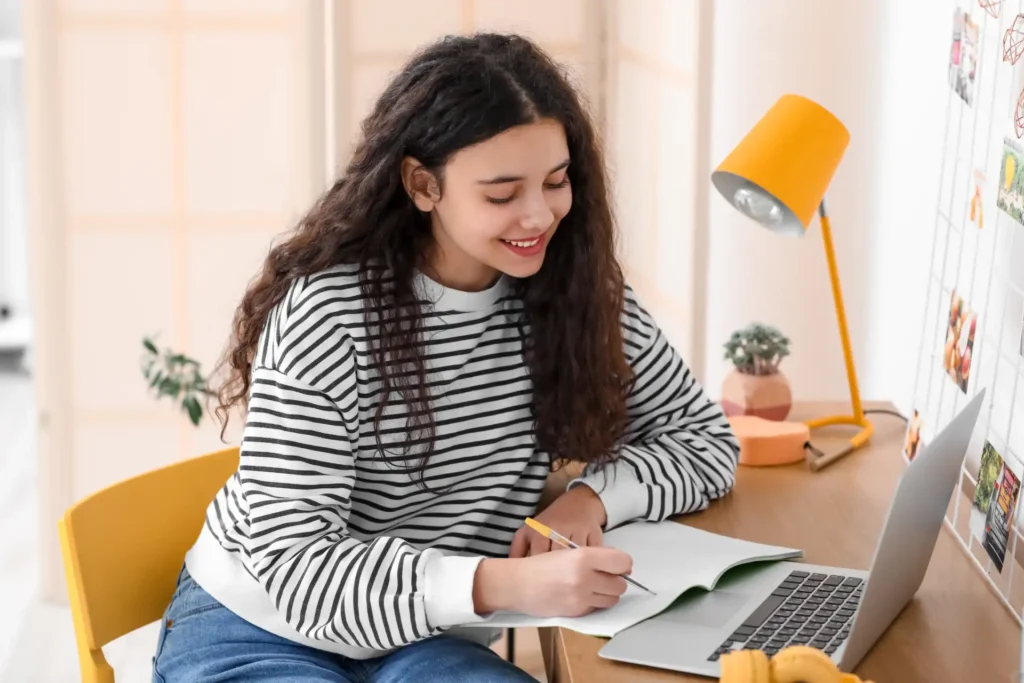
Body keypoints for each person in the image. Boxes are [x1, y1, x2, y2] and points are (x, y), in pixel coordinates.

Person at [151, 32, 740, 683]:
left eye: (556, 180)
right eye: (501, 193)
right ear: (423, 184)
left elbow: (704, 441)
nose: (540, 214)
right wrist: (502, 582)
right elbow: (296, 567)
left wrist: (591, 499)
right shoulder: (328, 314)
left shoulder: (574, 293)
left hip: (424, 635)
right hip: (260, 622)